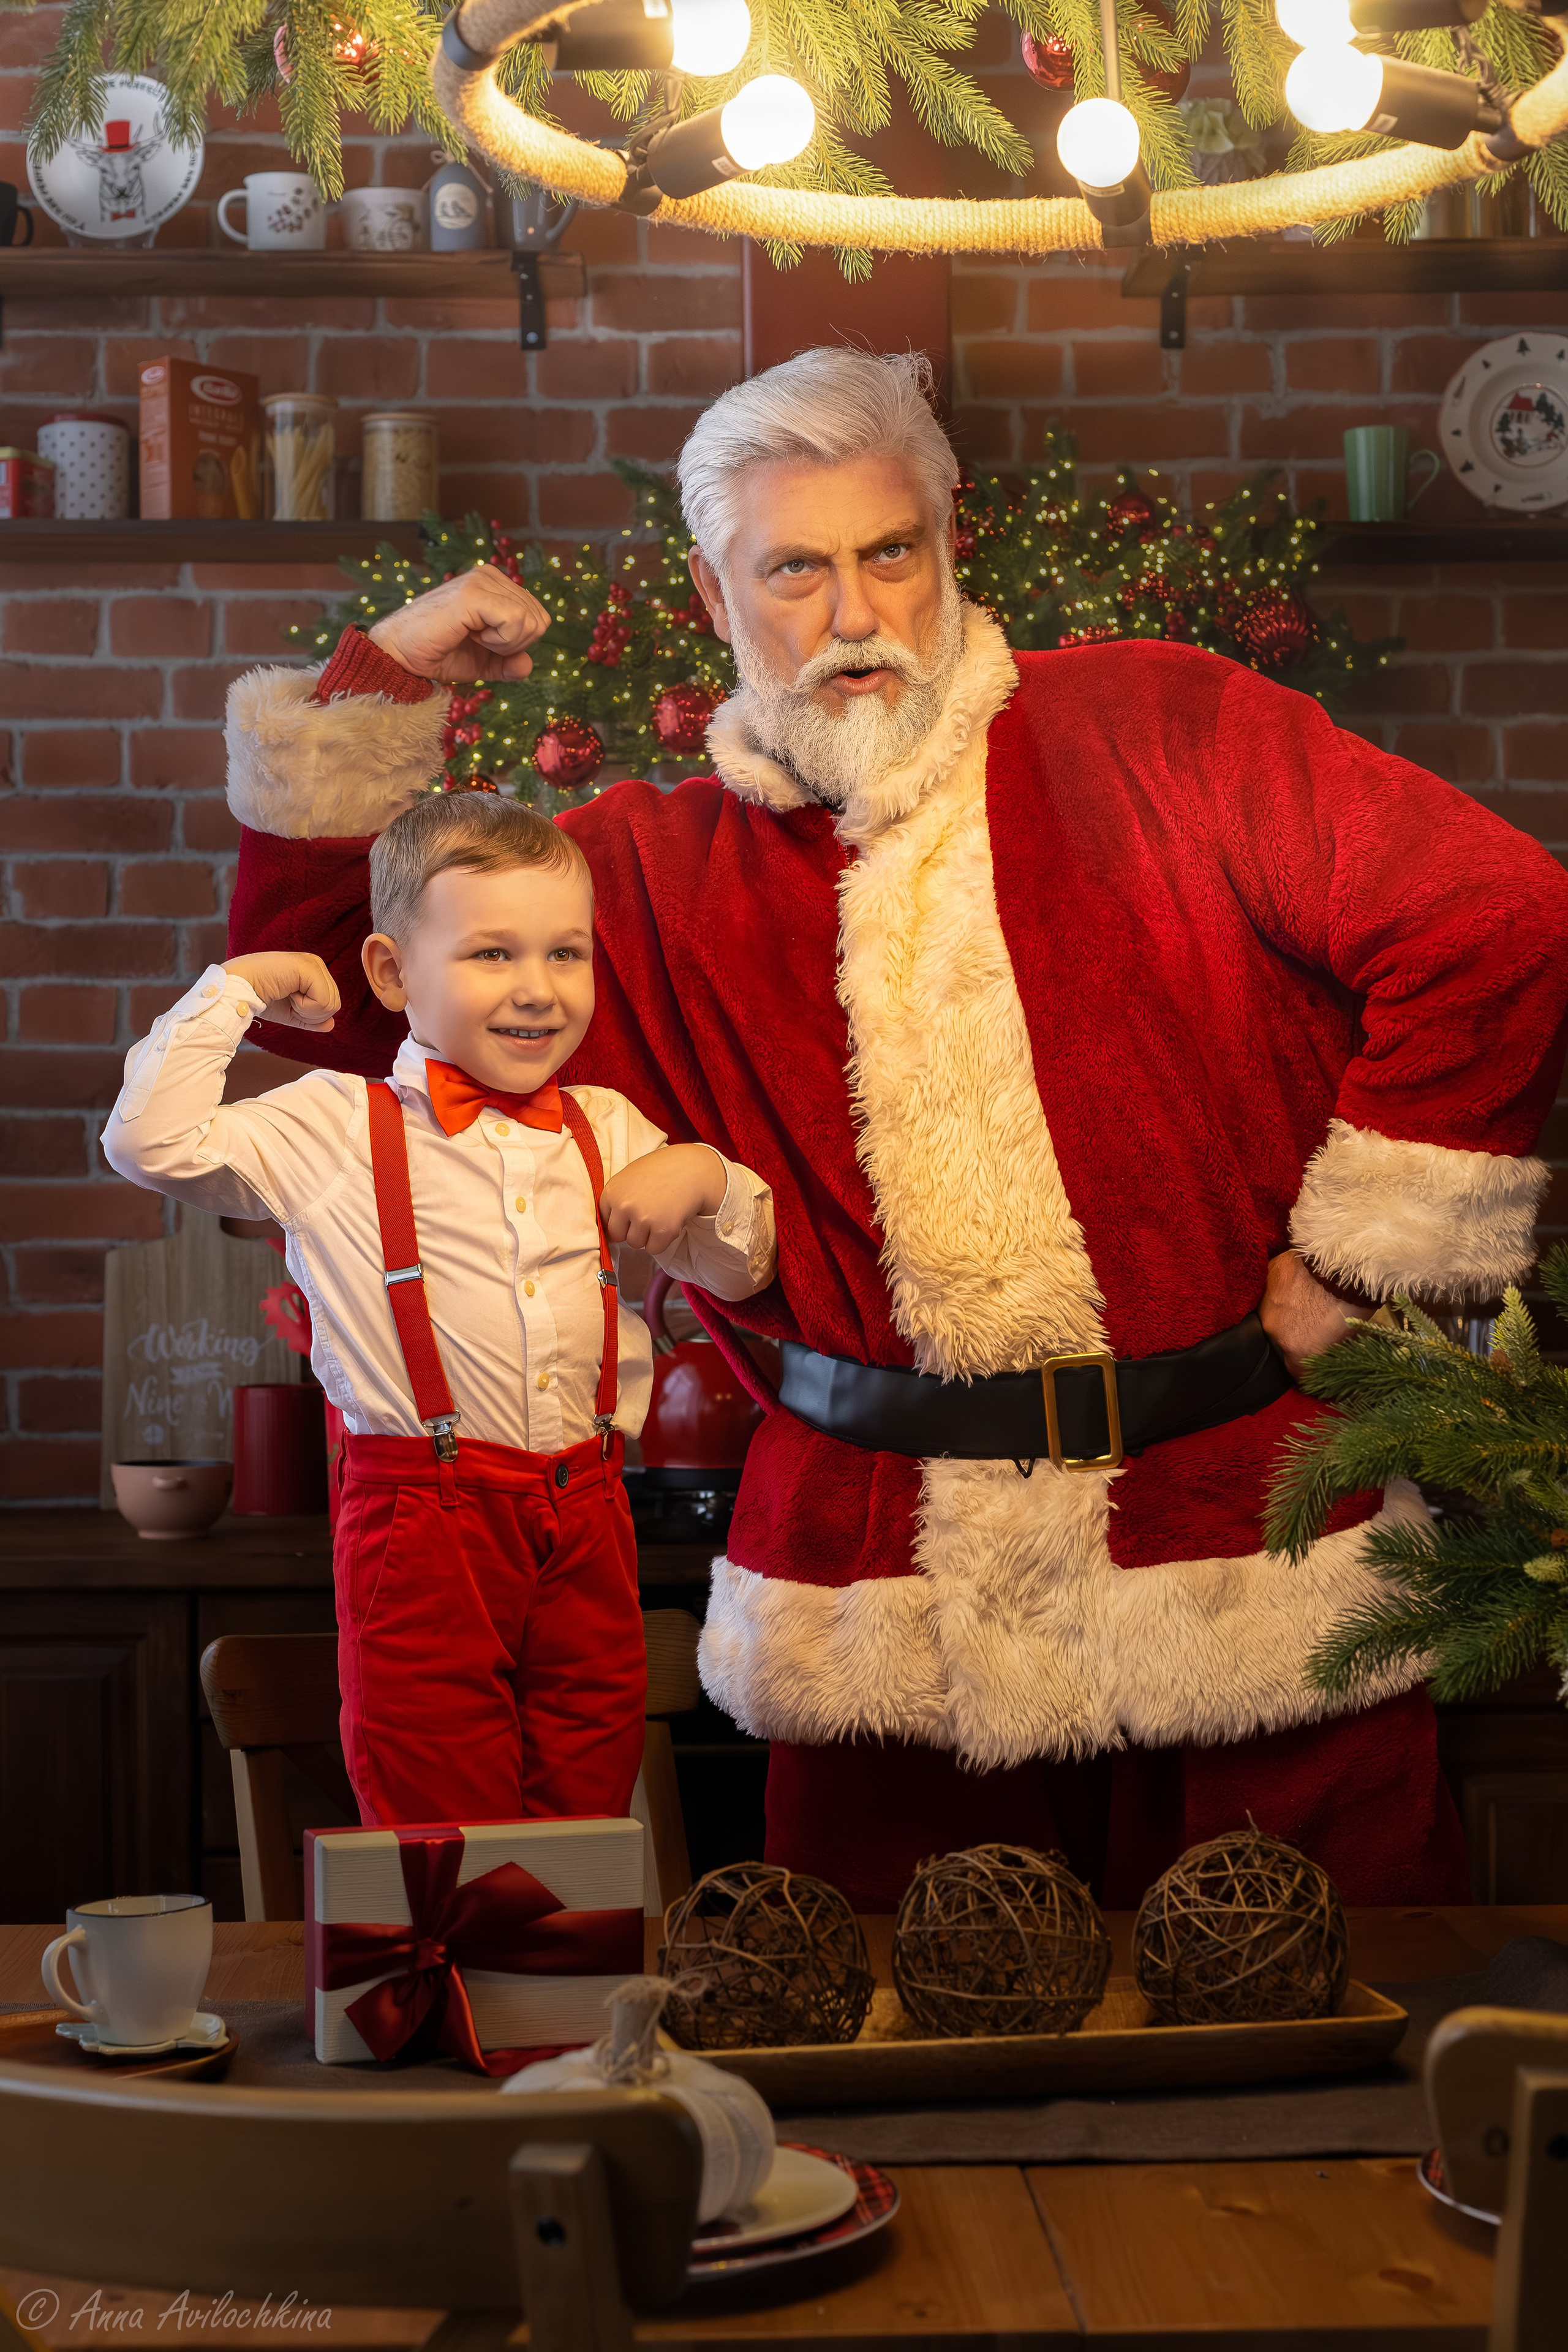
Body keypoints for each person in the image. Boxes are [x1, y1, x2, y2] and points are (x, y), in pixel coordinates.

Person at [219, 345, 1568, 1906]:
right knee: (889, 2079)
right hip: (872, 1598)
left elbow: (1497, 916)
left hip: (1250, 1546)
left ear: (948, 550)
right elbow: (329, 1006)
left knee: (1334, 2060)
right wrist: (383, 682)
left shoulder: (1164, 727)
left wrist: (1361, 1257)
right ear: (718, 604)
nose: (852, 613)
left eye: (888, 553)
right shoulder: (633, 881)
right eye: (792, 568)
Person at [104, 793, 776, 1829]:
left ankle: (564, 1983)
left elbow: (744, 1272)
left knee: (587, 1794)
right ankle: (442, 1987)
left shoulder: (608, 1126)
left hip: (591, 1513)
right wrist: (235, 990)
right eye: (492, 955)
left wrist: (706, 1179)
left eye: (566, 955)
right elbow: (149, 1142)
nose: (538, 991)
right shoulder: (333, 1127)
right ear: (389, 972)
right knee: (435, 1804)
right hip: (423, 1522)